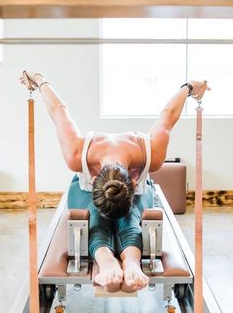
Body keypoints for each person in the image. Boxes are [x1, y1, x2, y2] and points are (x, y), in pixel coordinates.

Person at [20, 71, 210, 293]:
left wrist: (189, 88)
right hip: (88, 194)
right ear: (94, 179)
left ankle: (129, 262)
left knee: (131, 216)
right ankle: (109, 260)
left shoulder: (150, 153)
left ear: (132, 181)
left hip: (133, 196)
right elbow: (58, 110)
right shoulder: (77, 154)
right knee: (97, 216)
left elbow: (169, 114)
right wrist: (39, 80)